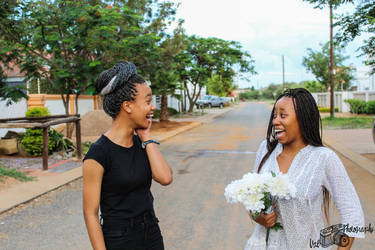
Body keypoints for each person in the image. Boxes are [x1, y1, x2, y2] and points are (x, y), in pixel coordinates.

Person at [245, 88, 365, 250]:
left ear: (302, 118)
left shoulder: (323, 158)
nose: (275, 121)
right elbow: (253, 198)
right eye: (274, 115)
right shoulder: (266, 149)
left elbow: (353, 213)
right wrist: (258, 217)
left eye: (283, 115)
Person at [82, 61, 173, 250]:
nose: (152, 107)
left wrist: (146, 136)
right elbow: (90, 213)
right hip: (120, 240)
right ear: (128, 106)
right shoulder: (98, 154)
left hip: (151, 233)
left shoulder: (142, 144)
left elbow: (165, 178)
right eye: (148, 101)